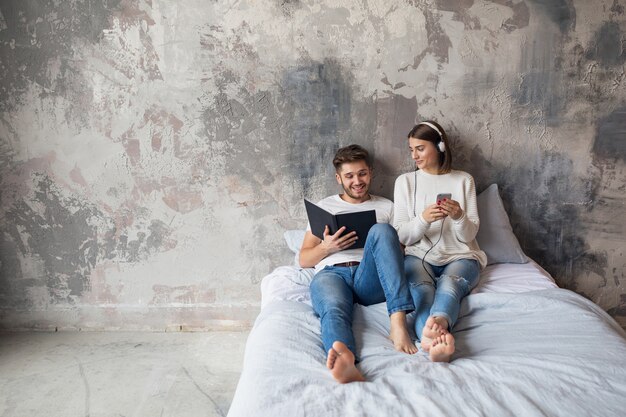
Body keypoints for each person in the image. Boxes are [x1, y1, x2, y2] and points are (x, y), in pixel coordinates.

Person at [299, 144, 416, 384]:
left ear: (370, 172)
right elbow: (303, 259)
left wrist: (384, 242)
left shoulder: (387, 207)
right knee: (332, 308)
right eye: (349, 176)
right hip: (333, 274)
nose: (357, 181)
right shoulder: (325, 206)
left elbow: (400, 252)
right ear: (339, 178)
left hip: (369, 277)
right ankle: (346, 360)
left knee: (382, 230)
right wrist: (327, 247)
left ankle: (398, 321)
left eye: (362, 173)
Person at [393, 121, 487, 363]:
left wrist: (458, 216)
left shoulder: (464, 180)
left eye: (420, 149)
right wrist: (423, 219)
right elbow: (402, 236)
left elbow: (469, 236)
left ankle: (438, 327)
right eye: (411, 149)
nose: (414, 156)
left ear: (440, 146)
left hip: (461, 256)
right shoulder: (405, 182)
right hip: (418, 256)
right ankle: (432, 341)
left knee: (449, 286)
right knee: (422, 292)